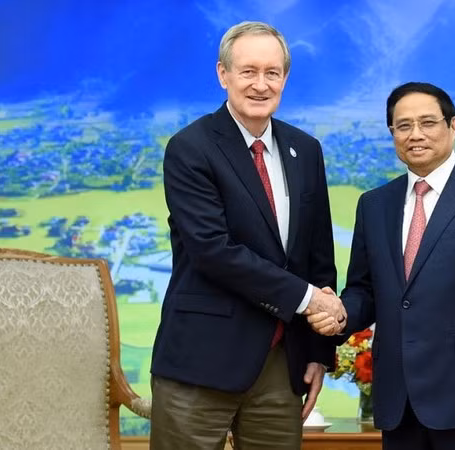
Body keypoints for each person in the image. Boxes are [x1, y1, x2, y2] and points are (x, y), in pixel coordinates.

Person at [150, 21, 345, 450]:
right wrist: (311, 299)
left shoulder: (305, 149)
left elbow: (318, 258)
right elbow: (213, 251)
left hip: (282, 364)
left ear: (285, 78)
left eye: (272, 73)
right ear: (223, 75)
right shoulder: (190, 147)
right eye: (248, 71)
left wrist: (317, 351)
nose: (261, 84)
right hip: (201, 362)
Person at [310, 82, 455, 449]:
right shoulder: (374, 204)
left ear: (453, 126)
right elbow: (365, 290)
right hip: (400, 403)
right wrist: (337, 315)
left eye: (428, 122)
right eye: (403, 126)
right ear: (392, 133)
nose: (415, 135)